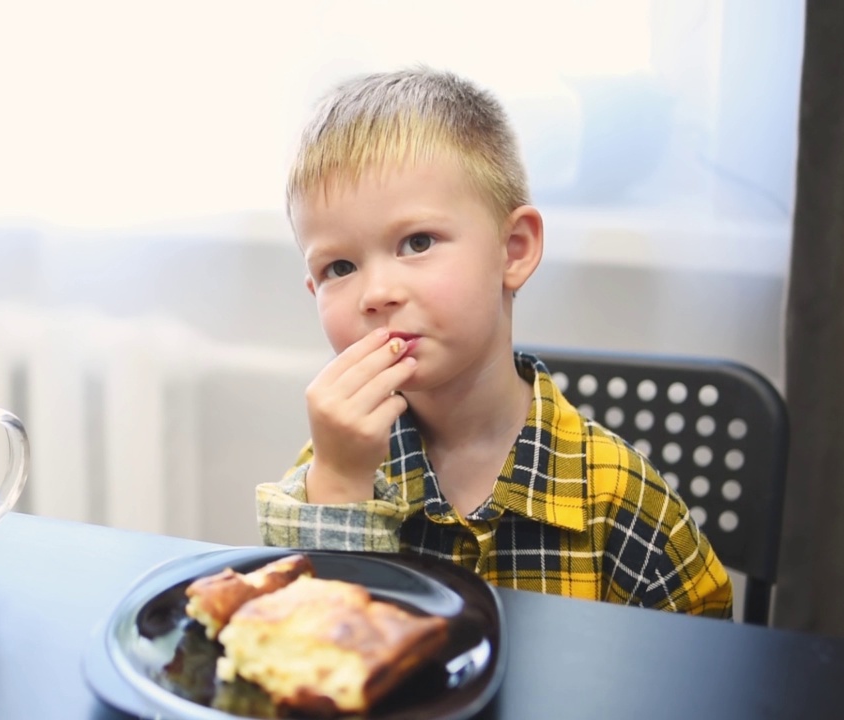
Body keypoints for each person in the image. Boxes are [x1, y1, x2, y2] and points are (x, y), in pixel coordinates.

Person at [256, 67, 733, 618]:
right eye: (340, 266)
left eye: (417, 242)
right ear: (313, 289)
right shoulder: (336, 463)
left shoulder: (621, 499)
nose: (377, 293)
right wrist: (340, 486)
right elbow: (305, 654)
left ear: (513, 250)